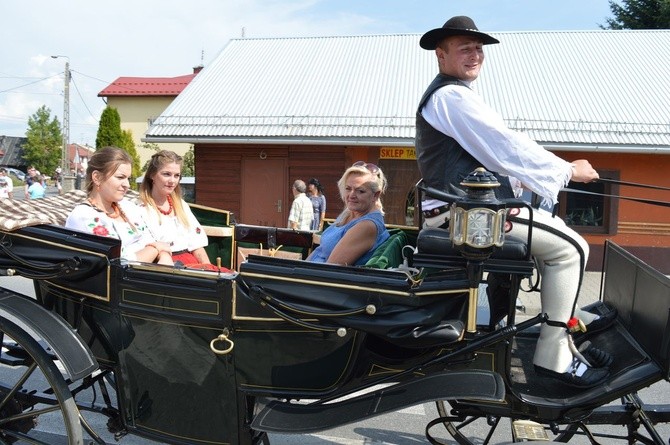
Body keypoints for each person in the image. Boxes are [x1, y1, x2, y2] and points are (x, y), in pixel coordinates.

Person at [416, 16, 616, 388]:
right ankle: (555, 356)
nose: (475, 54)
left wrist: (528, 177)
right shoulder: (451, 96)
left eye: (478, 49)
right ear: (441, 55)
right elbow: (504, 144)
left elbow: (493, 155)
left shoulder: (456, 94)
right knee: (572, 249)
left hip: (464, 213)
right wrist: (567, 170)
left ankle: (559, 328)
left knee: (559, 236)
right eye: (465, 48)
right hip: (464, 219)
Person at [65, 146, 173, 266]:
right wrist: (156, 249)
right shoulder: (84, 216)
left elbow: (156, 240)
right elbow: (119, 263)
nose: (127, 184)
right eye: (120, 177)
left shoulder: (128, 207)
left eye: (128, 178)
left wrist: (164, 254)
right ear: (97, 177)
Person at [139, 150, 222, 270]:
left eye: (176, 175)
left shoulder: (181, 205)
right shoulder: (140, 208)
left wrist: (210, 271)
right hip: (162, 266)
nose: (172, 181)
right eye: (166, 174)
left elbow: (197, 246)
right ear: (152, 175)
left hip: (192, 264)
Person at [308, 162, 389, 266]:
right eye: (348, 188)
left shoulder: (367, 225)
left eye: (360, 191)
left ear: (376, 195)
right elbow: (320, 250)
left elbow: (330, 269)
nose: (351, 195)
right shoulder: (349, 213)